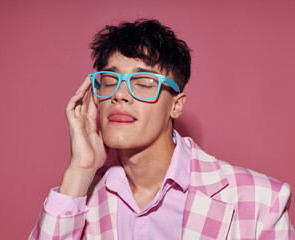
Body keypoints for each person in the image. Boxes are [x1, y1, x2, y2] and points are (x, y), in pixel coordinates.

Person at [29, 19, 294, 239]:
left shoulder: (259, 201)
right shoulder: (77, 198)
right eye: (110, 80)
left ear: (176, 106)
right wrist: (80, 171)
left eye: (143, 82)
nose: (120, 95)